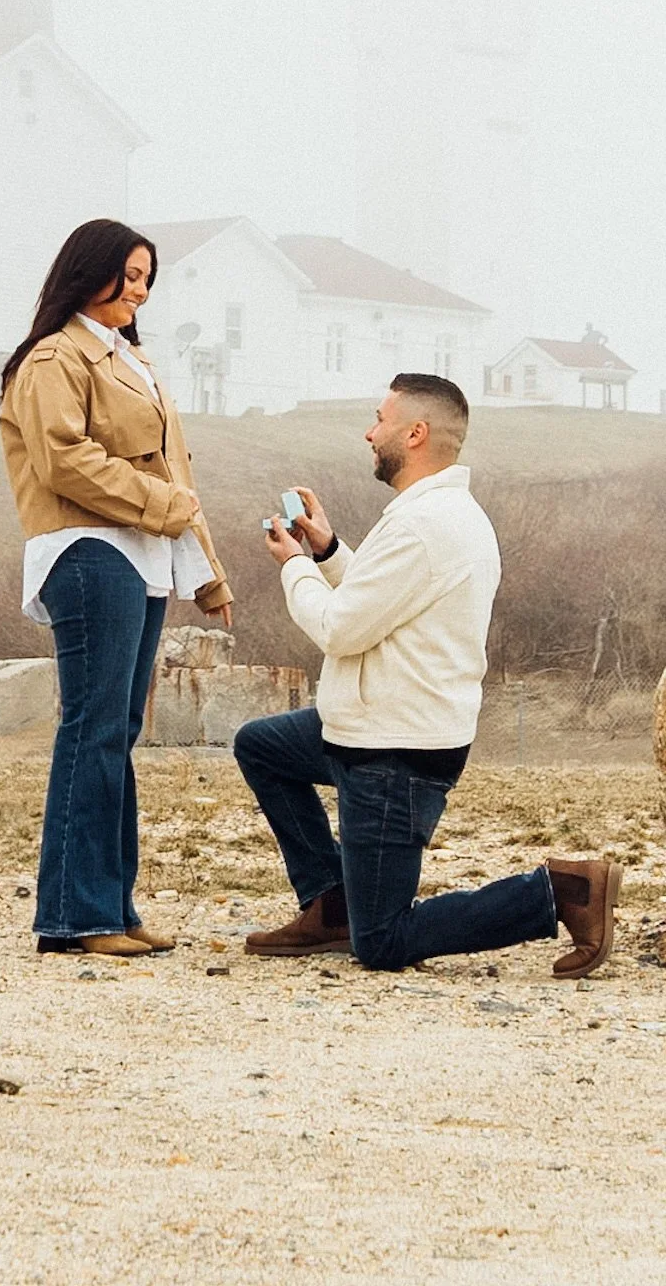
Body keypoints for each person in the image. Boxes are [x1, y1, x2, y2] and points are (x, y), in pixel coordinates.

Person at [234, 372, 621, 977]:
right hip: (370, 728)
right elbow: (383, 597)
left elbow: (341, 628)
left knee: (383, 942)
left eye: (379, 419)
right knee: (261, 746)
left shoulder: (424, 524)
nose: (369, 432)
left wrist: (294, 567)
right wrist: (330, 551)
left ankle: (562, 891)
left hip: (393, 755)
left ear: (414, 433)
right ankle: (330, 903)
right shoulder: (439, 513)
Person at [0, 218, 233, 958]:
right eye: (127, 275)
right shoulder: (52, 359)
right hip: (89, 549)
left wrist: (209, 572)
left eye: (145, 279)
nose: (138, 290)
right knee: (94, 728)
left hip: (146, 556)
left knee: (118, 734)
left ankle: (112, 907)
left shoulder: (132, 360)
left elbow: (175, 474)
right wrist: (165, 510)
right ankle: (77, 916)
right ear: (86, 272)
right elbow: (65, 461)